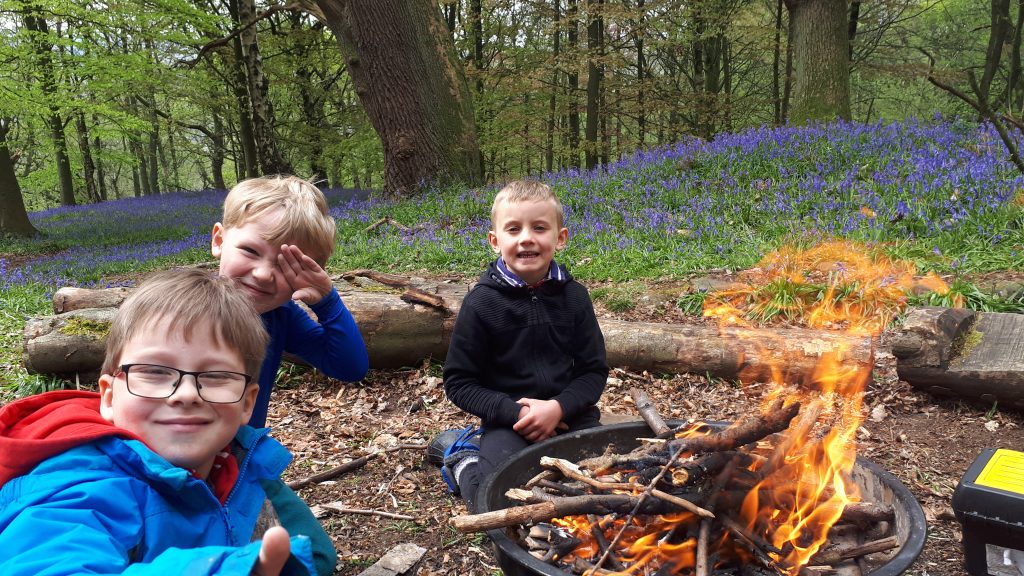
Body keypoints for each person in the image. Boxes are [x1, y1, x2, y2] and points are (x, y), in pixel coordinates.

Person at [0, 269, 328, 575]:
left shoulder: (238, 465)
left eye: (215, 375)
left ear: (247, 403)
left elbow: (314, 551)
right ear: (110, 398)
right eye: (155, 372)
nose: (186, 394)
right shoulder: (81, 488)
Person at [435, 180, 609, 511]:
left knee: (604, 490)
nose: (526, 237)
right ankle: (464, 462)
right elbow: (459, 382)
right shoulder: (481, 303)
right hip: (509, 424)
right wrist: (519, 413)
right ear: (495, 240)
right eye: (513, 229)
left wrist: (557, 407)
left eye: (539, 228)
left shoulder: (574, 297)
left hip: (570, 416)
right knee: (496, 503)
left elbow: (593, 371)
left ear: (560, 238)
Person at [211, 175, 369, 429]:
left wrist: (327, 303)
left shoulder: (280, 315)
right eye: (250, 251)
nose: (263, 274)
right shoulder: (185, 310)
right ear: (219, 240)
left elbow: (350, 367)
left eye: (286, 266)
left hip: (240, 461)